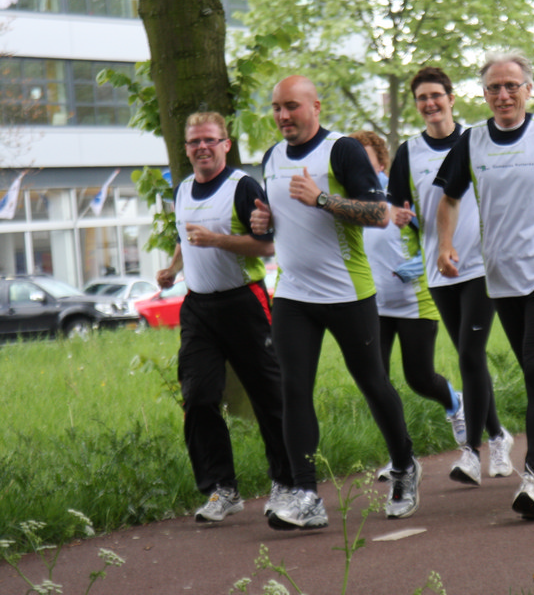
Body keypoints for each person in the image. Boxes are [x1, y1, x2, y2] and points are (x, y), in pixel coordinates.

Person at [250, 75, 421, 528]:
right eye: (276, 107)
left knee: (372, 382)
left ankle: (405, 465)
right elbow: (279, 224)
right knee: (293, 389)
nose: (283, 115)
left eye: (291, 106)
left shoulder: (341, 150)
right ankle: (306, 495)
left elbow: (379, 214)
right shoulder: (271, 157)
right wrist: (263, 222)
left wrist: (323, 199)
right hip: (293, 293)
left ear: (315, 107)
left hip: (347, 291)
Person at [434, 51, 534, 519]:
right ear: (484, 94)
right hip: (501, 276)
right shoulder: (472, 140)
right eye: (494, 88)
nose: (503, 95)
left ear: (528, 89)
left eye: (512, 86)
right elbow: (448, 198)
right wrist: (445, 245)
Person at [156, 111, 294, 524]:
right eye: (194, 141)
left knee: (269, 396)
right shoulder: (182, 189)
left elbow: (266, 246)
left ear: (225, 145)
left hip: (243, 302)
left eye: (210, 140)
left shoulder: (242, 186)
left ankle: (287, 483)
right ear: (186, 149)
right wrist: (173, 268)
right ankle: (222, 489)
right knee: (198, 397)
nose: (202, 147)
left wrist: (217, 240)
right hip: (198, 308)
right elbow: (186, 236)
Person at [386, 67, 513, 486]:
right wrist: (400, 216)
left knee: (469, 354)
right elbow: (399, 208)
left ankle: (472, 452)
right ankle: (498, 436)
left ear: (451, 98)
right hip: (439, 269)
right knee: (467, 354)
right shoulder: (408, 152)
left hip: (479, 263)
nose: (430, 104)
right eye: (422, 98)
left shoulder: (476, 140)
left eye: (436, 95)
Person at [351, 129, 468, 470]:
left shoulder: (400, 196)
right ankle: (399, 456)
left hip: (413, 301)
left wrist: (411, 269)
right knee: (376, 383)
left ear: (381, 162)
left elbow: (437, 238)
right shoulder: (350, 203)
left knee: (419, 378)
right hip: (371, 304)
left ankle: (455, 404)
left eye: (365, 159)